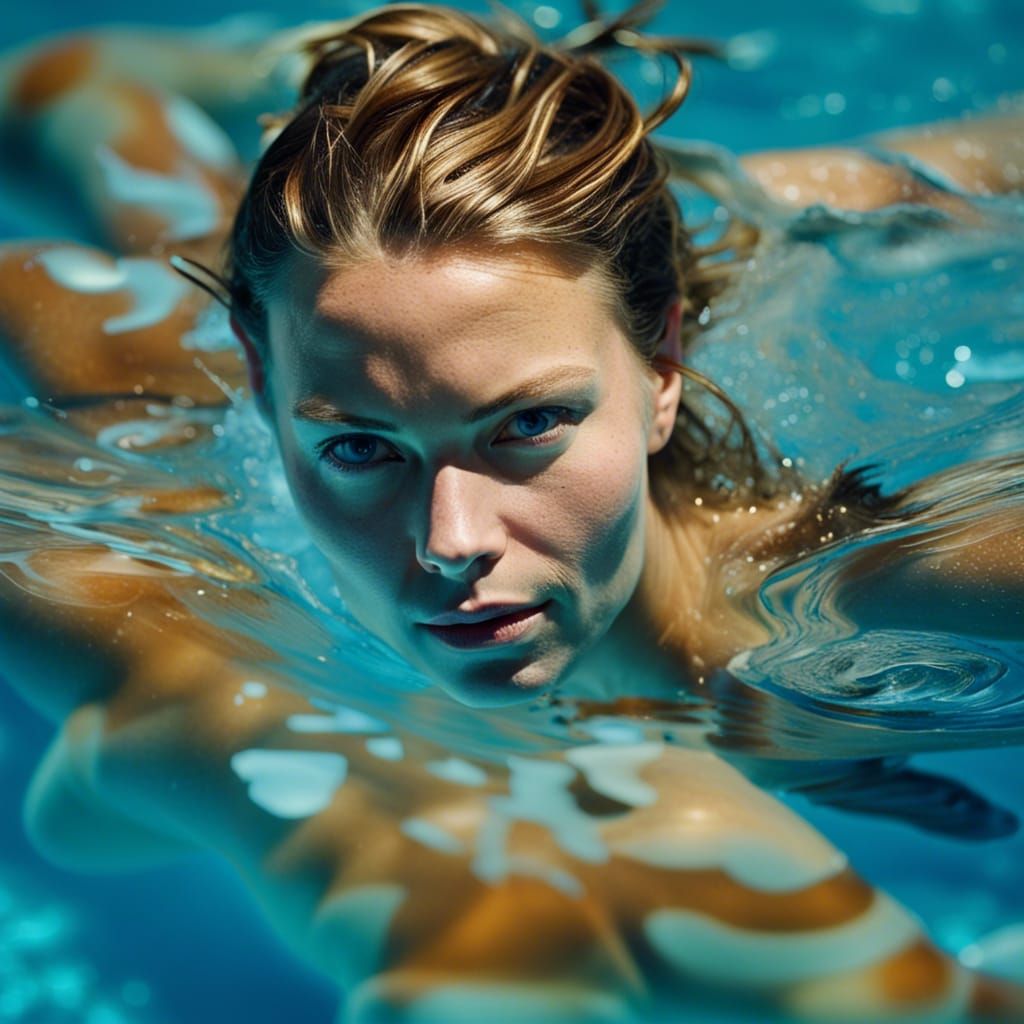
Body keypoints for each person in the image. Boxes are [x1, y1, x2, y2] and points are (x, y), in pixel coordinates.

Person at [0, 2, 1021, 1020]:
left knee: (886, 191)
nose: (452, 541)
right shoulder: (153, 409)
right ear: (262, 382)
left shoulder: (849, 589)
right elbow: (61, 86)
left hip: (830, 238)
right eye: (358, 447)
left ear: (664, 368)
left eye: (527, 426)